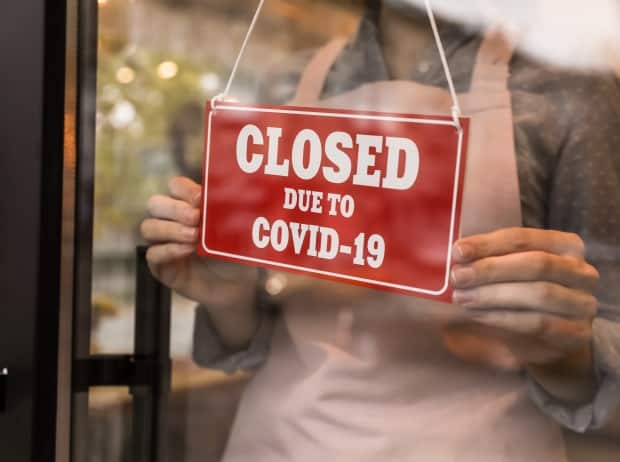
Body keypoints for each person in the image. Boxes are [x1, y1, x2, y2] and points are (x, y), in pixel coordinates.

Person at [141, 1, 620, 460]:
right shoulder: (290, 80)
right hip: (279, 443)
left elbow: (608, 341)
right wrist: (228, 296)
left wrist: (565, 352)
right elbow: (260, 331)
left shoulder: (570, 89)